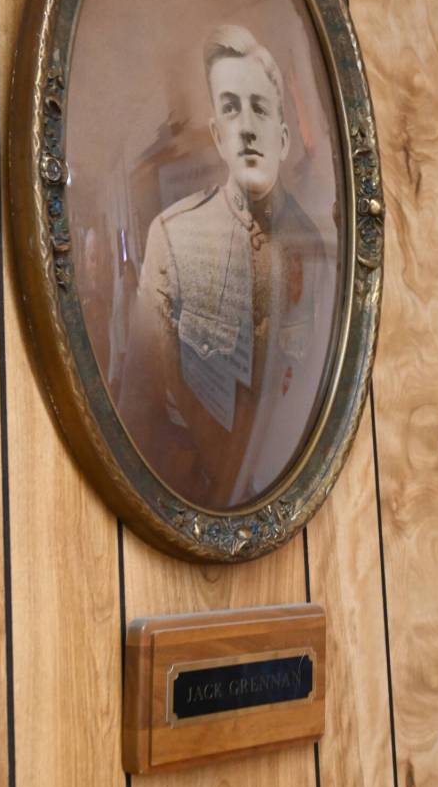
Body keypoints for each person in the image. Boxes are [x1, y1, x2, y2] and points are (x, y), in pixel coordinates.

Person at [119, 25, 326, 510]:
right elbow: (139, 410)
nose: (246, 128)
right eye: (231, 108)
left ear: (283, 138)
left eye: (260, 108)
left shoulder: (312, 246)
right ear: (217, 135)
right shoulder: (173, 236)